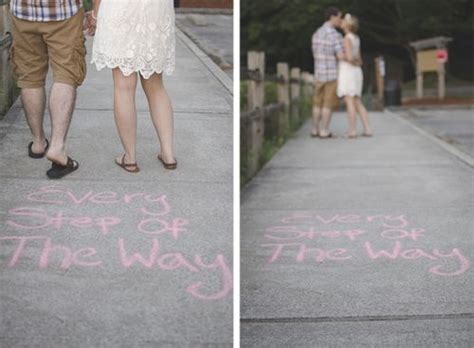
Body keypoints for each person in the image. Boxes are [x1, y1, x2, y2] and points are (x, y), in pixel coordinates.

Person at [88, 0, 177, 173]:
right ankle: (168, 153)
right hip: (155, 9)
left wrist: (95, 13)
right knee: (155, 85)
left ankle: (130, 157)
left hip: (120, 8)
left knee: (124, 87)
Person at [9, 0, 89, 179]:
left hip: (22, 11)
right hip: (63, 11)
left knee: (30, 77)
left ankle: (38, 143)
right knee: (65, 75)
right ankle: (57, 147)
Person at [311, 7, 344, 139]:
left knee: (317, 103)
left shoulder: (317, 33)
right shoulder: (335, 35)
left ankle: (314, 129)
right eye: (339, 17)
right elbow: (340, 56)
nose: (340, 20)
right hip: (331, 74)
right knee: (327, 104)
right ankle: (324, 130)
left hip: (318, 73)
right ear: (332, 17)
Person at [337, 14, 373, 138]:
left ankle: (352, 130)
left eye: (344, 20)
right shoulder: (356, 38)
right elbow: (359, 60)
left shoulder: (346, 38)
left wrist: (341, 57)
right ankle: (367, 129)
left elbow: (350, 58)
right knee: (357, 101)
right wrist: (354, 59)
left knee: (349, 101)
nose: (341, 21)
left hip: (348, 72)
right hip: (357, 71)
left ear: (348, 25)